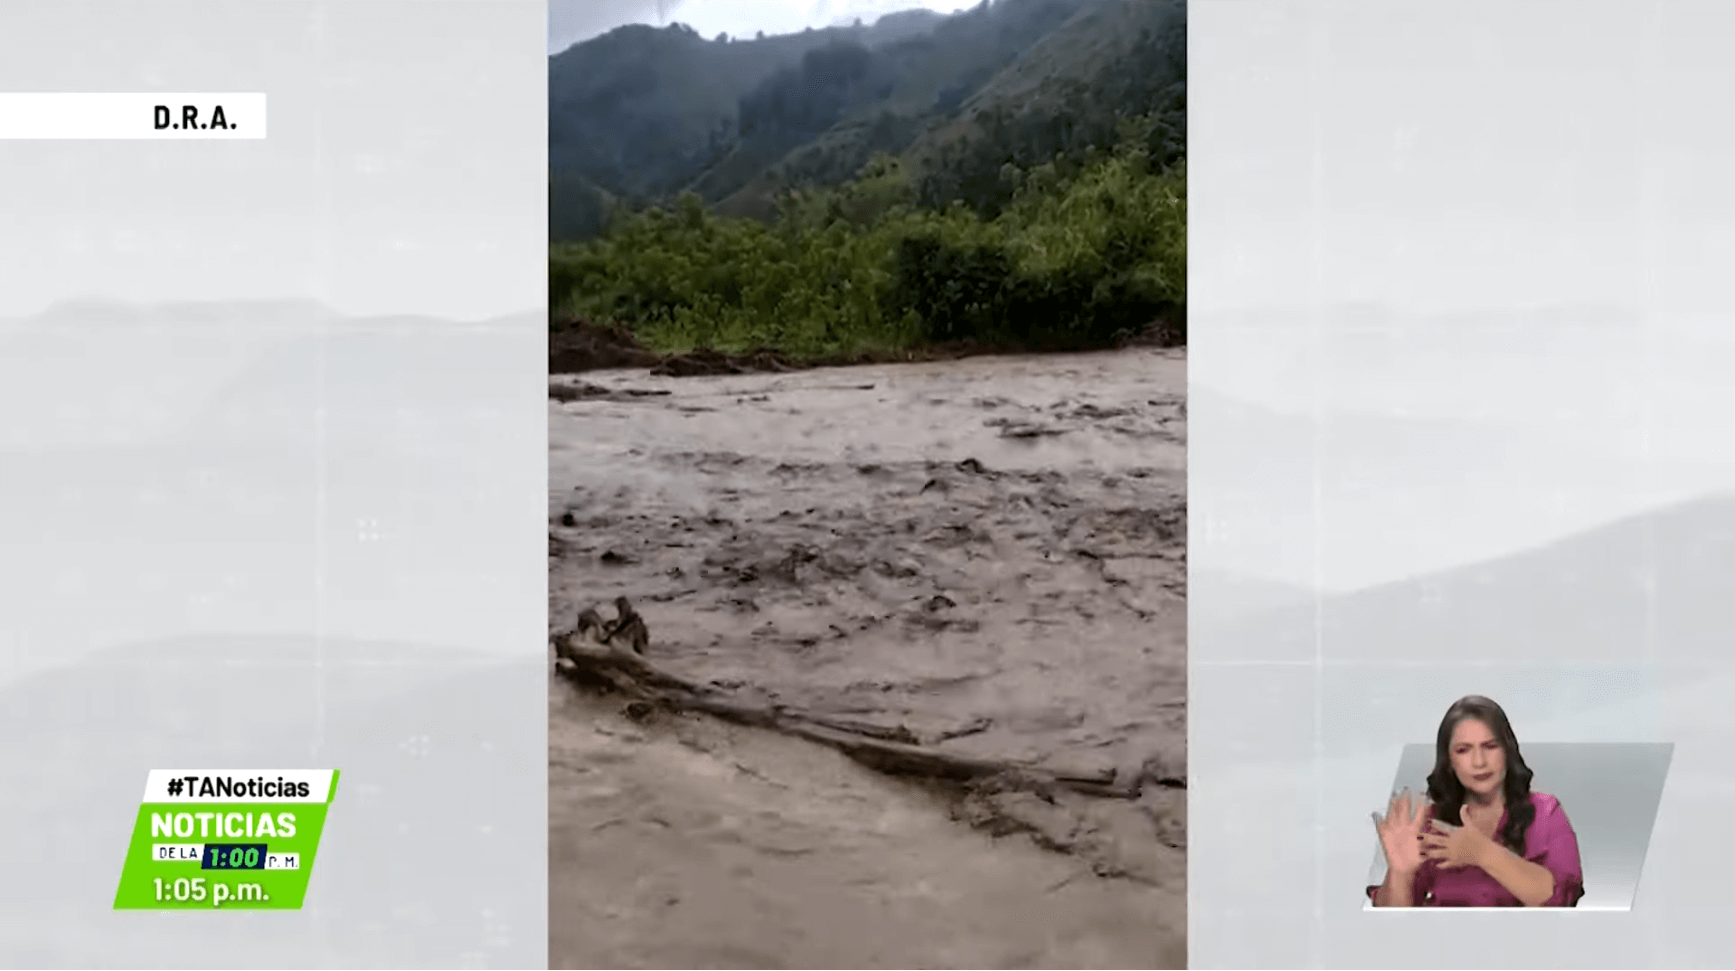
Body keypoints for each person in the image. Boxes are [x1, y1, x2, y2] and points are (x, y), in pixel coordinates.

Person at [1368, 695, 1584, 907]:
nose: (1479, 762)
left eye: (1490, 746)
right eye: (1463, 750)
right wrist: (1399, 874)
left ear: (1508, 751)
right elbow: (1394, 925)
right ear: (1449, 761)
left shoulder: (1546, 812)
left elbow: (1561, 900)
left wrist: (1482, 852)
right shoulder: (1428, 823)